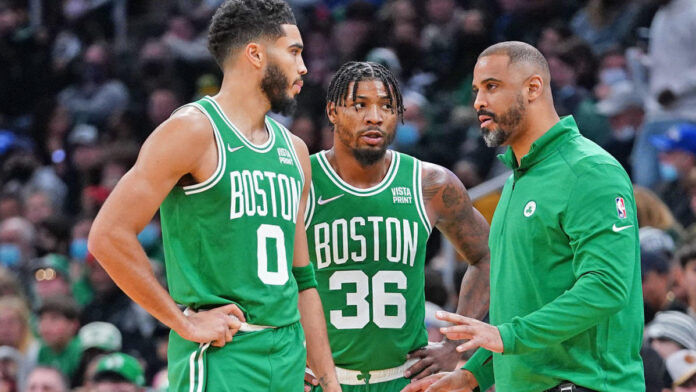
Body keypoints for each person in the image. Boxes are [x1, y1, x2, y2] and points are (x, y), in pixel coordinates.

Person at [87, 1, 339, 391]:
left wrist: (328, 380)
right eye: (294, 52)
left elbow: (303, 279)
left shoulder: (295, 151)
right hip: (224, 355)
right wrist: (182, 321)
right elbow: (108, 235)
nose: (303, 66)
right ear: (255, 53)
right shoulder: (193, 131)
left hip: (289, 356)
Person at [403, 41, 644, 392]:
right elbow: (518, 308)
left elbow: (607, 288)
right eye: (475, 90)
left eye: (492, 87)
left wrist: (507, 336)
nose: (478, 103)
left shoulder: (589, 171)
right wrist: (471, 375)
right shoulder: (518, 180)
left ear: (533, 88)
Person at [303, 61, 491, 391]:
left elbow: (488, 257)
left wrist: (455, 346)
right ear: (332, 111)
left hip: (404, 380)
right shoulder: (301, 181)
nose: (375, 116)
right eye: (359, 105)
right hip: (322, 379)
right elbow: (257, 272)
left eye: (387, 106)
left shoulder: (430, 184)